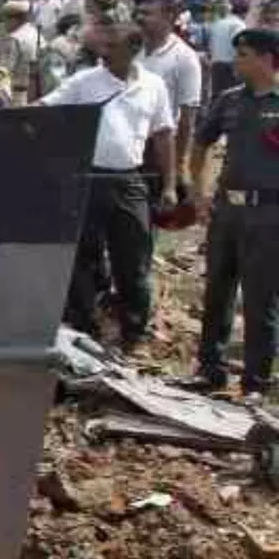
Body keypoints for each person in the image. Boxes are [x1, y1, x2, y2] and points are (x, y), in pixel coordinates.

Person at [40, 21, 176, 349]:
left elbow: (163, 135)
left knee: (133, 259)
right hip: (89, 179)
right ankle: (86, 327)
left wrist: (170, 184)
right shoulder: (85, 82)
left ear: (133, 49)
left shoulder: (153, 85)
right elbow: (46, 108)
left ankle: (133, 332)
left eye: (112, 48)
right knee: (84, 258)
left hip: (129, 180)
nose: (104, 53)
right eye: (103, 46)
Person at [185, 28, 279, 397]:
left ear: (266, 58)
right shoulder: (228, 101)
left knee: (260, 299)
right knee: (217, 293)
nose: (236, 61)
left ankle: (256, 382)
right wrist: (200, 191)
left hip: (269, 215)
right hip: (227, 211)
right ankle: (211, 370)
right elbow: (201, 142)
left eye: (244, 55)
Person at [135, 0, 202, 208]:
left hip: (158, 149)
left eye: (147, 13)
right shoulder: (130, 49)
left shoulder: (184, 57)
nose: (140, 18)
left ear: (169, 16)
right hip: (126, 145)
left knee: (147, 215)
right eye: (139, 12)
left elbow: (187, 118)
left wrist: (178, 167)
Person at [0, 0, 41, 101]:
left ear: (14, 19)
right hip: (35, 92)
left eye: (5, 19)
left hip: (16, 94)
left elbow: (4, 71)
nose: (4, 24)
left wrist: (1, 95)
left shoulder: (13, 38)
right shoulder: (34, 32)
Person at [208, 0, 249, 101]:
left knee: (217, 98)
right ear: (245, 13)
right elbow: (239, 46)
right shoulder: (239, 24)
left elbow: (211, 45)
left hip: (216, 65)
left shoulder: (218, 23)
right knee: (232, 100)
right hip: (230, 66)